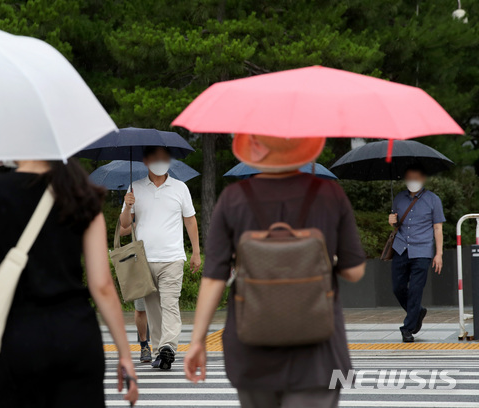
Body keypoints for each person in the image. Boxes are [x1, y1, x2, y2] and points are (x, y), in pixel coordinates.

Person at [184, 134, 366, 408]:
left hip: (252, 353)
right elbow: (355, 272)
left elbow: (213, 278)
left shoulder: (233, 198)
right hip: (318, 354)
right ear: (304, 146)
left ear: (255, 147)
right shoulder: (330, 194)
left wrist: (197, 341)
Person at [0, 159, 138, 407]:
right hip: (75, 334)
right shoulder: (82, 193)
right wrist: (125, 354)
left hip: (15, 339)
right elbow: (102, 285)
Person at [120, 146, 201, 370]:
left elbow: (190, 220)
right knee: (153, 309)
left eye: (164, 158)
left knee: (170, 304)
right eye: (155, 158)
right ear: (146, 161)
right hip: (144, 260)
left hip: (172, 258)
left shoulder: (180, 188)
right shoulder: (134, 188)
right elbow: (125, 225)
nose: (160, 161)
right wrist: (127, 206)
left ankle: (168, 347)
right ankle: (159, 350)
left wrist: (195, 251)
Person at [388, 163, 445, 343]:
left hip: (422, 250)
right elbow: (397, 224)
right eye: (410, 177)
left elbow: (437, 228)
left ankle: (408, 328)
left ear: (422, 178)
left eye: (416, 177)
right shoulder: (398, 198)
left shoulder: (433, 199)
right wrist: (391, 221)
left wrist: (439, 254)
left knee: (415, 289)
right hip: (401, 248)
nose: (413, 180)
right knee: (397, 287)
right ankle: (417, 312)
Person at [119, 222, 152, 363]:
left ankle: (163, 345)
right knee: (141, 308)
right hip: (140, 260)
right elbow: (121, 230)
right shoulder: (136, 201)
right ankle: (144, 345)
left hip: (165, 259)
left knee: (165, 306)